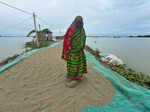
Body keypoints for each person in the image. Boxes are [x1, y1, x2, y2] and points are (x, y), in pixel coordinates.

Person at [62, 16, 87, 87]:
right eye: (78, 21)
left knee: (79, 64)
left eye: (80, 21)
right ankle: (71, 76)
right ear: (75, 21)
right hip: (72, 51)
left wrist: (82, 46)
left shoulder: (82, 30)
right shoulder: (71, 29)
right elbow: (67, 38)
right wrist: (68, 48)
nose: (79, 23)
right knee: (72, 64)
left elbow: (84, 37)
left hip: (80, 51)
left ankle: (77, 77)